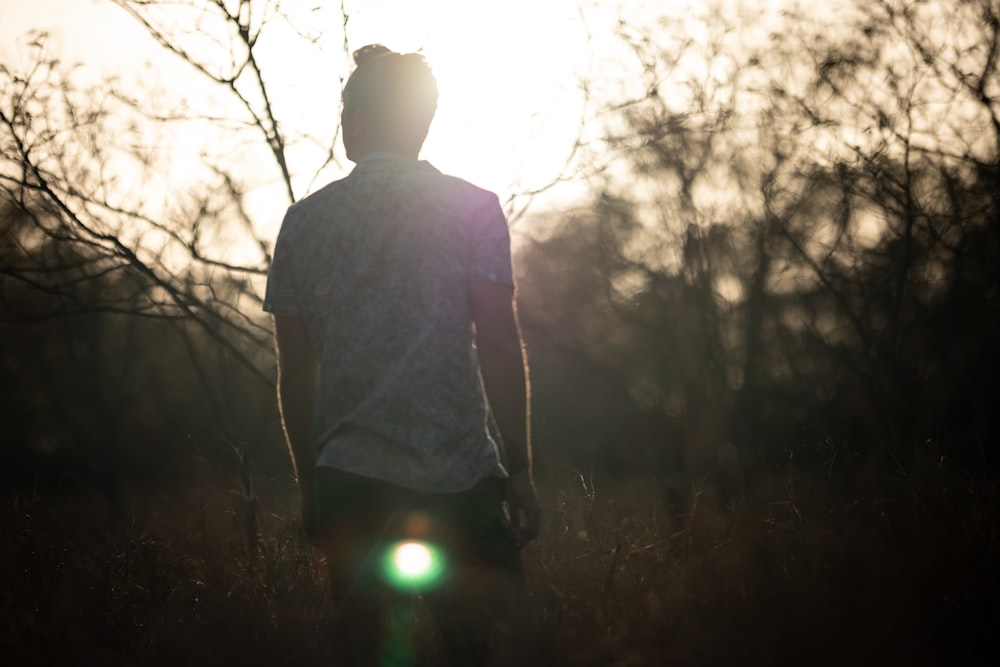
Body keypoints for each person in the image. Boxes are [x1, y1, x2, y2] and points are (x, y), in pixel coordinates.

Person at [263, 44, 539, 665]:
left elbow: (296, 370)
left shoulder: (303, 223)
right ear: (423, 122)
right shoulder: (474, 207)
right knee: (494, 651)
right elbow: (497, 340)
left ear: (357, 123)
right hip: (460, 477)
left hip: (351, 483)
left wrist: (312, 487)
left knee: (372, 654)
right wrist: (518, 469)